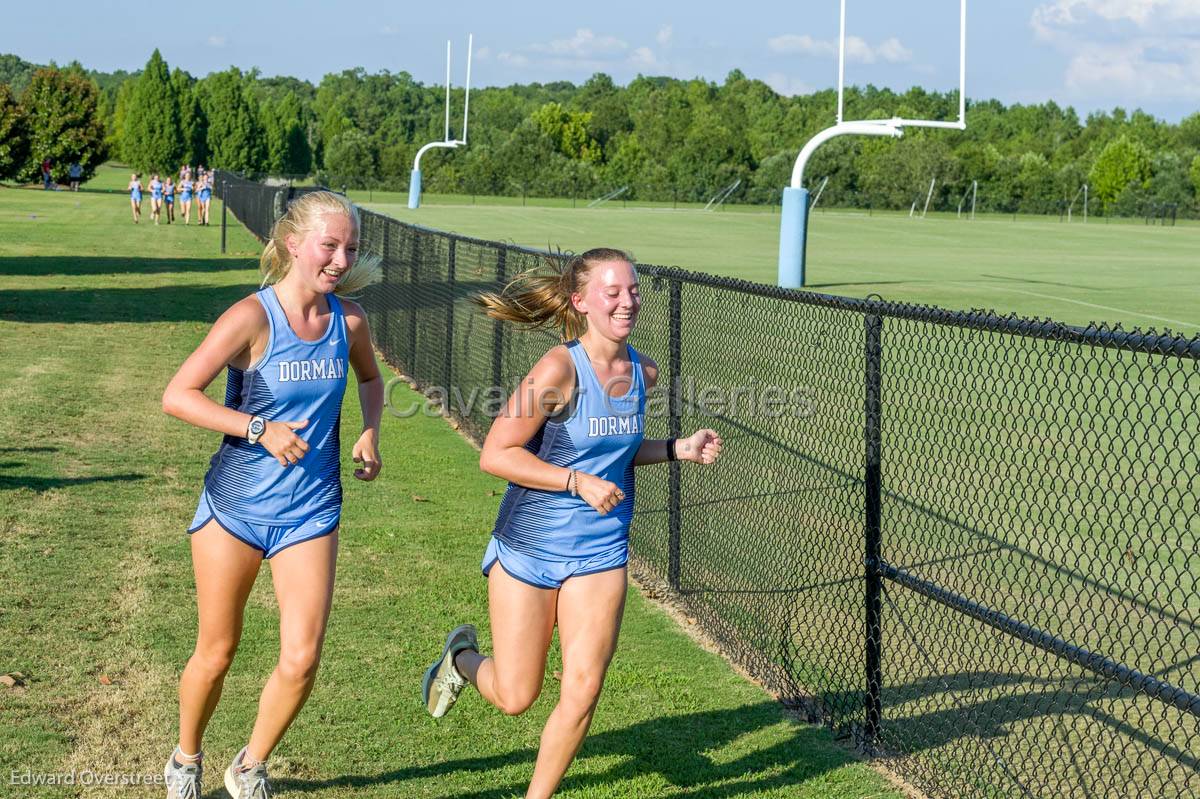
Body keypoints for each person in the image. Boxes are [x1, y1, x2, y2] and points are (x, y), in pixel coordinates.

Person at [421, 248, 723, 799]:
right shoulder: (559, 369)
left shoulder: (642, 371)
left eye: (633, 290)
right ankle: (461, 659)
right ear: (581, 302)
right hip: (530, 547)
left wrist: (678, 448)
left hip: (601, 550)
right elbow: (496, 453)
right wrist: (575, 482)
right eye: (612, 292)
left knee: (583, 688)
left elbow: (616, 453)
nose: (627, 301)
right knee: (516, 696)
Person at [160, 191, 384, 799]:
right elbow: (179, 395)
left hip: (310, 512)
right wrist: (257, 428)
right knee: (217, 651)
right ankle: (186, 756)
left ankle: (250, 764)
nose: (341, 260)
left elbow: (370, 378)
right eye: (330, 246)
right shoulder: (252, 318)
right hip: (235, 511)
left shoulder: (351, 321)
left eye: (351, 249)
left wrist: (368, 429)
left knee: (303, 657)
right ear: (293, 244)